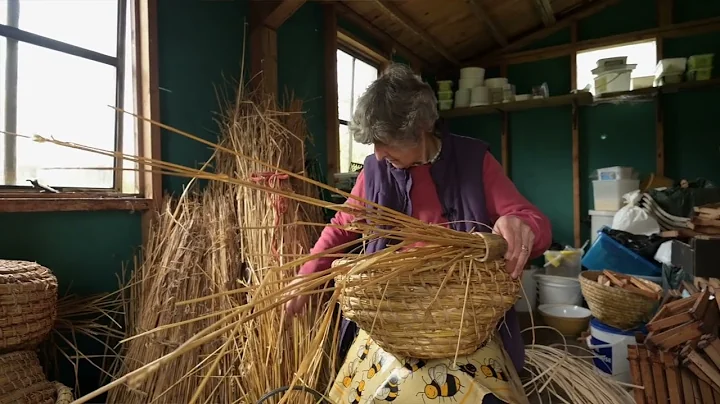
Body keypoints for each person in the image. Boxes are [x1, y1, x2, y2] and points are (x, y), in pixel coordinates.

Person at [287, 63, 551, 402]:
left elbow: (533, 222)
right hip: (391, 317)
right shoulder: (376, 171)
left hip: (463, 323)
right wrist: (307, 275)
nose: (379, 154)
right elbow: (342, 226)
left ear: (423, 128)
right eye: (374, 144)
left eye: (387, 143)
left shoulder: (473, 162)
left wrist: (522, 226)